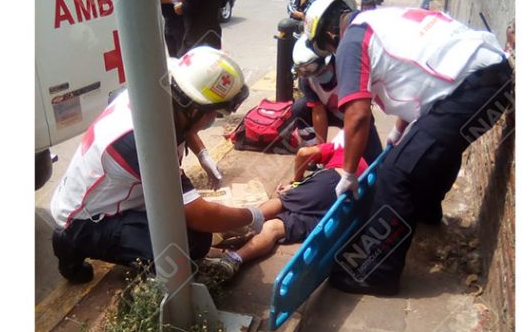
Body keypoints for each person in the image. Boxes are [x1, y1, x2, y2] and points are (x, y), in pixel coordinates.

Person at [302, 0, 513, 296]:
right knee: (434, 150)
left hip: (474, 88)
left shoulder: (351, 41)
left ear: (329, 35)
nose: (332, 54)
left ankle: (379, 274)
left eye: (327, 48)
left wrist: (348, 174)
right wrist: (400, 130)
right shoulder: (382, 19)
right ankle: (426, 212)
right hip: (496, 81)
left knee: (395, 173)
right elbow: (413, 76)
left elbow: (358, 115)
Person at [49, 47, 267, 283]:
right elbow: (198, 215)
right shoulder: (145, 142)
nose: (212, 121)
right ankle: (70, 243)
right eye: (212, 114)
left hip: (109, 195)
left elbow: (184, 126)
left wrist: (203, 154)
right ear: (194, 109)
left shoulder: (157, 95)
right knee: (188, 244)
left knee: (187, 229)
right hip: (85, 219)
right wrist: (251, 215)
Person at [200, 132, 369, 281]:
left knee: (283, 201)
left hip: (334, 182)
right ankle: (234, 259)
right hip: (342, 211)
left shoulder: (340, 148)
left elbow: (304, 153)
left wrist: (296, 182)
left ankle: (234, 225)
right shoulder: (364, 163)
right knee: (273, 227)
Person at [289, 31, 382, 163]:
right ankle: (313, 154)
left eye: (310, 67)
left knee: (375, 161)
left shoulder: (346, 67)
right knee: (299, 108)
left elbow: (361, 107)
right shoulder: (307, 80)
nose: (307, 72)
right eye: (303, 69)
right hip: (330, 111)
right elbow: (318, 112)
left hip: (355, 112)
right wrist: (321, 151)